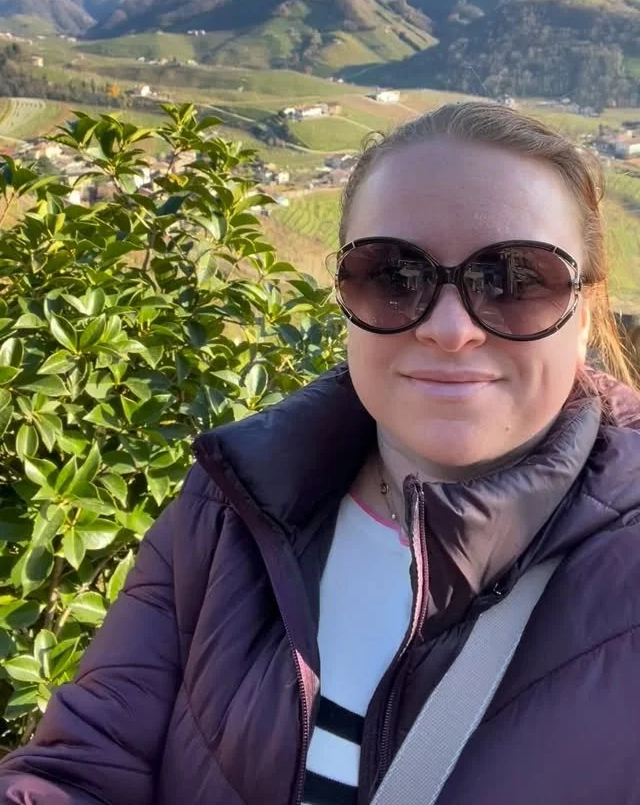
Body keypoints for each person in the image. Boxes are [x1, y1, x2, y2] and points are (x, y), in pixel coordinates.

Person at [2, 99, 640, 805]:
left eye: (516, 280)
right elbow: (79, 769)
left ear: (585, 313)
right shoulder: (230, 509)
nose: (450, 329)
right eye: (393, 276)